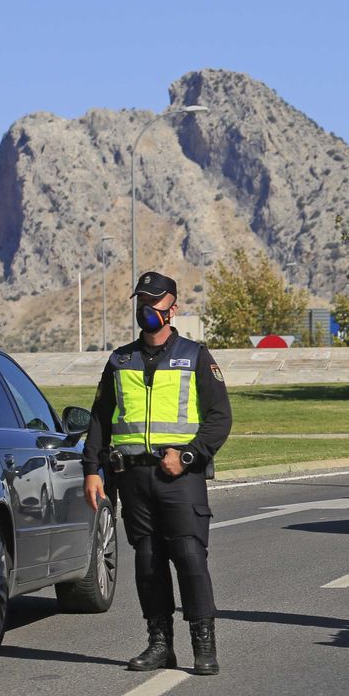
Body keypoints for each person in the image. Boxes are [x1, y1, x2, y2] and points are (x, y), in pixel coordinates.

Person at [82, 271, 233, 675]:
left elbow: (220, 418)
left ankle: (204, 644)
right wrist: (92, 469)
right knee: (147, 563)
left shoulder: (195, 355)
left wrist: (187, 456)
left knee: (189, 558)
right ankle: (159, 644)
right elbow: (100, 418)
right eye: (141, 303)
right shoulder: (120, 359)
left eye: (155, 303)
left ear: (173, 308)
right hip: (133, 478)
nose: (147, 310)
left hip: (179, 478)